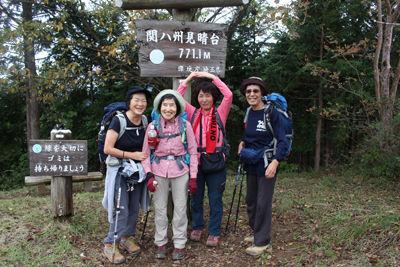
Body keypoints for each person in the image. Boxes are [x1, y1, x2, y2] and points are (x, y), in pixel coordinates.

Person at [141, 89, 198, 260]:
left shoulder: (184, 125)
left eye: (171, 105)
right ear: (159, 107)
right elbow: (145, 153)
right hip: (158, 171)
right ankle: (161, 242)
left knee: (180, 208)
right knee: (160, 209)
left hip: (181, 170)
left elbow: (193, 151)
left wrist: (193, 176)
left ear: (177, 107)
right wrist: (149, 175)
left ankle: (179, 243)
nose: (168, 108)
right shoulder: (153, 126)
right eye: (164, 105)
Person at [177, 71, 233, 247]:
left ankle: (214, 232)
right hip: (196, 164)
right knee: (196, 197)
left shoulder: (220, 113)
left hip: (216, 162)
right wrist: (187, 80)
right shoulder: (193, 113)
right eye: (201, 96)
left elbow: (228, 94)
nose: (204, 99)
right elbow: (177, 98)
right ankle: (197, 227)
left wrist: (210, 77)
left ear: (213, 97)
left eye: (207, 96)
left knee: (215, 199)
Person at [237, 77, 287, 256]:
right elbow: (249, 134)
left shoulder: (271, 112)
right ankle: (257, 232)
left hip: (267, 164)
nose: (251, 94)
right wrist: (242, 142)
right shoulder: (249, 112)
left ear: (262, 94)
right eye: (248, 91)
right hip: (251, 163)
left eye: (255, 91)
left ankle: (264, 241)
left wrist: (275, 162)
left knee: (262, 203)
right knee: (251, 201)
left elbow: (282, 141)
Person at [102, 86, 151, 264]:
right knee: (120, 209)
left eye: (143, 100)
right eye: (136, 100)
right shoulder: (118, 120)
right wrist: (132, 155)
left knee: (134, 207)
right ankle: (110, 244)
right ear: (128, 102)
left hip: (137, 172)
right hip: (119, 171)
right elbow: (108, 148)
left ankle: (127, 237)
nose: (140, 104)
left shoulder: (144, 120)